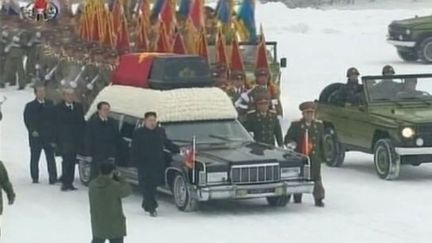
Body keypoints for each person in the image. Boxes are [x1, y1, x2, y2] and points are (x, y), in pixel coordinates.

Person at [131, 112, 179, 217]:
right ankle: (152, 207)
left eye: (154, 120)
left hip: (157, 163)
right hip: (143, 164)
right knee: (145, 186)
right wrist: (135, 162)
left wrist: (178, 149)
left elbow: (167, 143)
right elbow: (134, 148)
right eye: (150, 120)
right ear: (145, 121)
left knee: (152, 186)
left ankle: (147, 204)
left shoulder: (160, 131)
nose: (152, 123)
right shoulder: (139, 133)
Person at [284, 101, 325, 207]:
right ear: (303, 114)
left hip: (314, 157)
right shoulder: (296, 125)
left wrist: (323, 156)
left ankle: (319, 198)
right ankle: (297, 196)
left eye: (311, 113)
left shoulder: (319, 126)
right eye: (307, 113)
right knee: (299, 177)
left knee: (316, 178)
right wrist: (291, 144)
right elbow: (288, 138)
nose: (310, 115)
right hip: (301, 156)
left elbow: (321, 142)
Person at [89, 163, 131, 243]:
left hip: (98, 223)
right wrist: (121, 178)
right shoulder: (115, 186)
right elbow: (127, 190)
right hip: (115, 225)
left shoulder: (92, 185)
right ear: (112, 172)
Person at [23, 84, 58, 184]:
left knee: (50, 158)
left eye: (43, 91)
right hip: (36, 137)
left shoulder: (50, 103)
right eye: (39, 91)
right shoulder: (30, 106)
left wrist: (54, 135)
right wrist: (32, 130)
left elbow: (54, 119)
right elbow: (27, 120)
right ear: (35, 93)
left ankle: (53, 178)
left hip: (48, 136)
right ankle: (35, 177)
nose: (42, 93)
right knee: (35, 158)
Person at [55, 88, 85, 191]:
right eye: (68, 95)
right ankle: (65, 182)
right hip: (64, 139)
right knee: (66, 160)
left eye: (72, 95)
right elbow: (56, 125)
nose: (70, 97)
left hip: (75, 139)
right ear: (64, 96)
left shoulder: (78, 107)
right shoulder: (58, 108)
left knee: (72, 161)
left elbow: (81, 122)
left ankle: (70, 182)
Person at [85, 101, 121, 180]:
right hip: (96, 154)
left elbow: (116, 138)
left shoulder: (113, 122)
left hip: (109, 154)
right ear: (99, 111)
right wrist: (89, 154)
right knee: (96, 175)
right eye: (104, 109)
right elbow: (88, 138)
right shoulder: (92, 123)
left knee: (108, 176)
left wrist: (114, 153)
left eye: (108, 109)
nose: (107, 111)